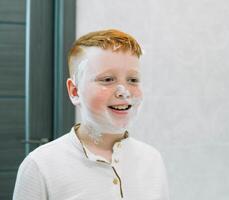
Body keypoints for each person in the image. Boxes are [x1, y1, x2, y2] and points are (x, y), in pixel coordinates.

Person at [13, 29, 169, 200]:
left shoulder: (152, 160)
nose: (124, 92)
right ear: (74, 91)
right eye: (108, 79)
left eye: (133, 80)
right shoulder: (41, 166)